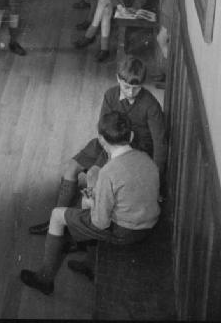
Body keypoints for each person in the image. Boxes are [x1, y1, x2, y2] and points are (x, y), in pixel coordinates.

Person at [20, 110, 160, 296]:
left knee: (57, 216)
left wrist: (89, 202)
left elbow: (100, 222)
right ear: (131, 135)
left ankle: (44, 278)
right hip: (148, 224)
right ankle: (89, 264)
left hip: (125, 231)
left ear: (101, 140)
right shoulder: (146, 159)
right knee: (88, 211)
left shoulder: (109, 172)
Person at [28, 55, 166, 236]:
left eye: (136, 88)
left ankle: (76, 230)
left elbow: (160, 145)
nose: (131, 92)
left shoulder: (151, 105)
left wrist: (156, 181)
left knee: (95, 179)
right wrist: (102, 154)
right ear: (118, 79)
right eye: (126, 87)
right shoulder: (110, 95)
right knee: (71, 168)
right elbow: (103, 127)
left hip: (132, 150)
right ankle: (56, 220)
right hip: (107, 142)